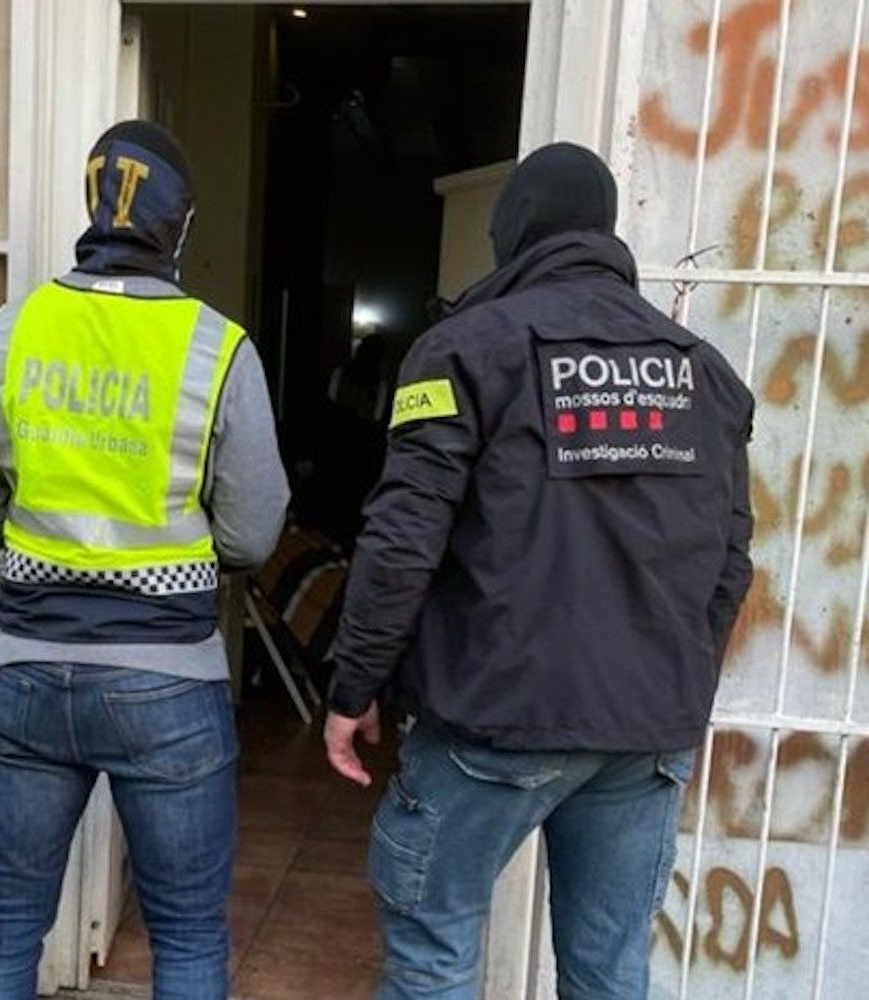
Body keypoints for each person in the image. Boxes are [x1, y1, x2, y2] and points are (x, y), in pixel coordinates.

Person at [322, 143, 754, 1000]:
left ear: (512, 232)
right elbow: (730, 560)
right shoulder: (701, 374)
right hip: (641, 732)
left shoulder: (461, 351)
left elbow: (402, 539)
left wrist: (352, 685)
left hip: (496, 717)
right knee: (606, 972)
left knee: (433, 954)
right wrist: (669, 684)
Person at [0, 120, 289, 1000]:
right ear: (181, 225)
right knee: (187, 936)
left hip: (27, 672)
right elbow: (250, 537)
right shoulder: (215, 350)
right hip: (167, 684)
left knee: (7, 921)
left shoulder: (7, 335)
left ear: (94, 207)